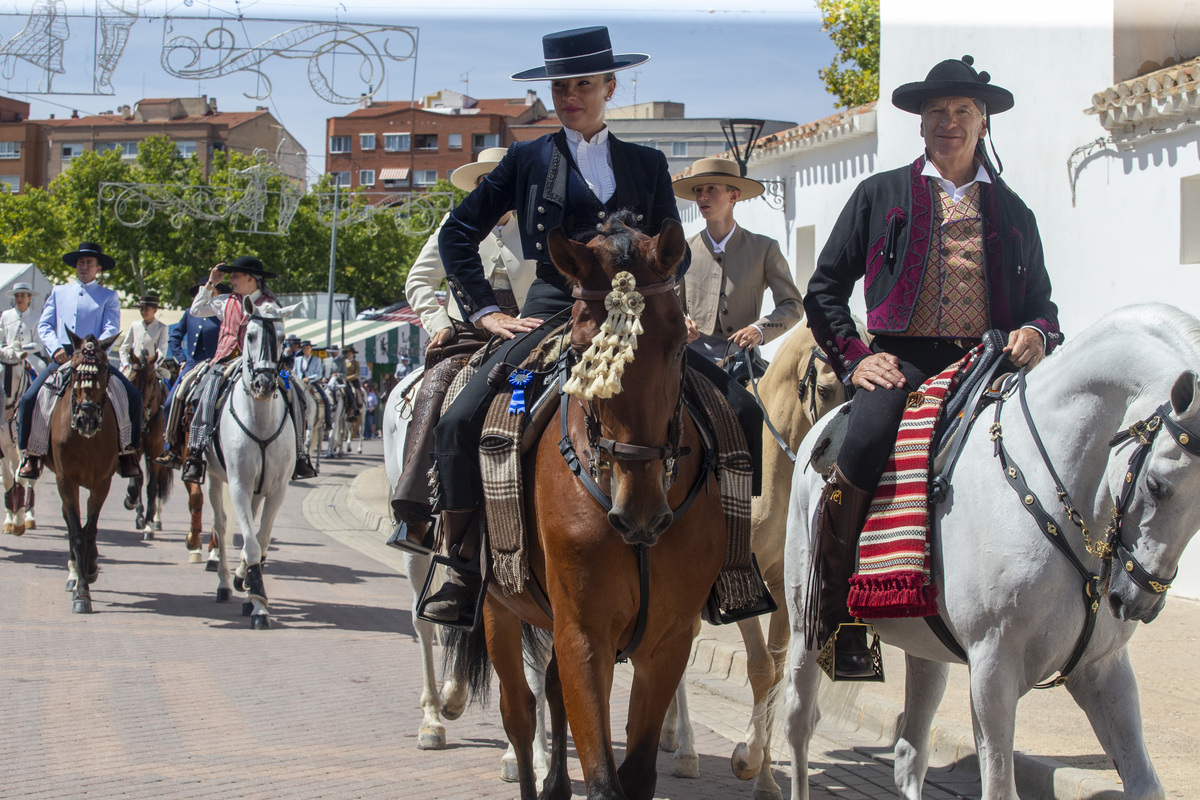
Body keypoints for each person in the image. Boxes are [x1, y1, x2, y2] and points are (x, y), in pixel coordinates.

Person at [425, 26, 759, 626]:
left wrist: (673, 312)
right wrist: (485, 311)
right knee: (457, 419)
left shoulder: (648, 162)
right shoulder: (525, 160)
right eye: (561, 85)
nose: (570, 95)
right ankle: (460, 564)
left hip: (644, 317)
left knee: (742, 410)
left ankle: (734, 563)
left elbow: (667, 250)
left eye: (584, 83)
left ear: (610, 86)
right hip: (556, 313)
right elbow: (456, 234)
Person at [803, 56, 1062, 679]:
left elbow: (1044, 308)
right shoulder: (879, 194)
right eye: (936, 113)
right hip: (902, 363)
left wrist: (1035, 333)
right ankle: (839, 613)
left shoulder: (1014, 213)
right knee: (862, 443)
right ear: (920, 126)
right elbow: (824, 288)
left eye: (962, 113)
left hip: (989, 364)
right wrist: (859, 360)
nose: (949, 123)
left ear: (983, 125)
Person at [391, 146, 537, 546]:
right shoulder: (453, 224)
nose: (489, 189)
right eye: (481, 183)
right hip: (468, 332)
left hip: (529, 332)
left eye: (498, 182)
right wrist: (438, 322)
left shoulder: (538, 226)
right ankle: (414, 510)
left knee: (536, 396)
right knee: (435, 388)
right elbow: (418, 281)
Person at [180, 256, 318, 484]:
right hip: (225, 360)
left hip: (260, 364)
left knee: (298, 396)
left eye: (235, 275)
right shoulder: (225, 301)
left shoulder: (270, 305)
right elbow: (195, 310)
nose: (231, 279)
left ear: (251, 279)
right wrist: (210, 284)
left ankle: (300, 454)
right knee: (198, 392)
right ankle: (195, 453)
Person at [17, 242, 143, 480]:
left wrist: (95, 350)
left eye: (90, 263)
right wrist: (55, 350)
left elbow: (111, 326)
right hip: (64, 355)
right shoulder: (58, 291)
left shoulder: (108, 296)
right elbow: (44, 325)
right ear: (76, 266)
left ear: (98, 269)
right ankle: (31, 456)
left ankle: (128, 453)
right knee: (28, 398)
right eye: (81, 262)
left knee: (132, 396)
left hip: (96, 357)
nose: (84, 266)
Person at [672, 156, 804, 356]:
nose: (702, 197)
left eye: (711, 189)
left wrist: (760, 329)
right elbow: (669, 303)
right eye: (698, 190)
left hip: (743, 356)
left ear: (733, 196)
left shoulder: (765, 248)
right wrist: (681, 321)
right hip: (692, 357)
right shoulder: (684, 250)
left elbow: (792, 305)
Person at [158, 280, 228, 467]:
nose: (205, 294)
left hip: (217, 364)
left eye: (210, 291)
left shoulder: (223, 314)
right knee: (170, 401)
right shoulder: (189, 313)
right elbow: (175, 338)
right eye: (202, 291)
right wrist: (181, 359)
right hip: (192, 364)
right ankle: (172, 448)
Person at [0, 281, 44, 397]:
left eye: (23, 296)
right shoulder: (6, 315)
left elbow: (38, 344)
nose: (19, 299)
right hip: (8, 354)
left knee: (41, 369)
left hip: (28, 355)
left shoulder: (37, 316)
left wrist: (19, 349)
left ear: (29, 298)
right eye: (17, 296)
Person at [119, 292, 169, 378]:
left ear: (155, 310)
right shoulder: (134, 325)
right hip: (134, 366)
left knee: (167, 377)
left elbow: (162, 351)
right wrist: (126, 364)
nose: (143, 312)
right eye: (141, 309)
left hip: (152, 366)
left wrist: (154, 364)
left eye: (146, 309)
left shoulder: (162, 327)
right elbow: (124, 348)